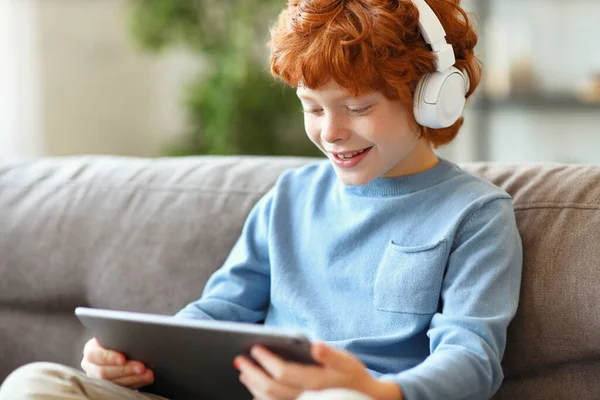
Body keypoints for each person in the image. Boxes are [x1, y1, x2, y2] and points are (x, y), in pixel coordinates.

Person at [0, 0, 523, 399]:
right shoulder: (291, 196)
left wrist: (376, 390)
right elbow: (220, 308)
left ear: (433, 96)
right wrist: (136, 356)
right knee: (36, 383)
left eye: (358, 106)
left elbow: (472, 358)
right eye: (312, 107)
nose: (332, 131)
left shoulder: (475, 214)